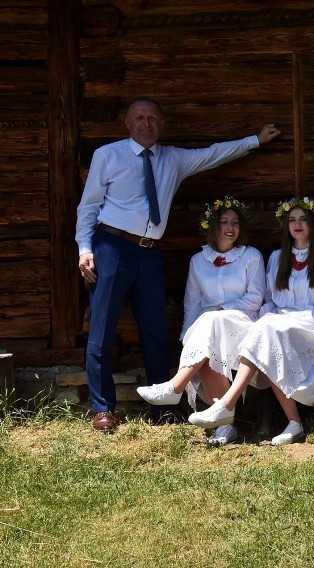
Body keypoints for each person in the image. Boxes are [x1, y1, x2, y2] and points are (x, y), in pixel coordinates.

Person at [76, 96, 280, 431]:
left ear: (162, 124)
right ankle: (102, 408)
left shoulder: (173, 159)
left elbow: (213, 154)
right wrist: (85, 247)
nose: (146, 124)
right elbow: (89, 206)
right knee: (102, 327)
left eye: (153, 118)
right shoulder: (108, 155)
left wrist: (255, 140)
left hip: (149, 251)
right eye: (139, 118)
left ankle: (162, 407)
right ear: (127, 123)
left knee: (155, 328)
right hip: (111, 245)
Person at [184, 197, 314, 445]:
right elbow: (269, 300)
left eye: (302, 219)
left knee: (269, 329)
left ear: (313, 223)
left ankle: (228, 403)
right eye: (292, 220)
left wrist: (279, 317)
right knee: (267, 329)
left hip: (312, 328)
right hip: (278, 324)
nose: (297, 224)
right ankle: (294, 423)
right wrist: (271, 314)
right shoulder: (278, 257)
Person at [135, 196, 265, 445]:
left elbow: (255, 298)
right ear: (212, 227)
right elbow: (192, 303)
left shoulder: (251, 256)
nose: (230, 228)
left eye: (235, 223)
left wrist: (219, 310)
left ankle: (175, 387)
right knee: (205, 346)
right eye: (224, 222)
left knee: (212, 320)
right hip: (208, 327)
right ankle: (226, 426)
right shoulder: (197, 261)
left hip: (242, 323)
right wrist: (187, 337)